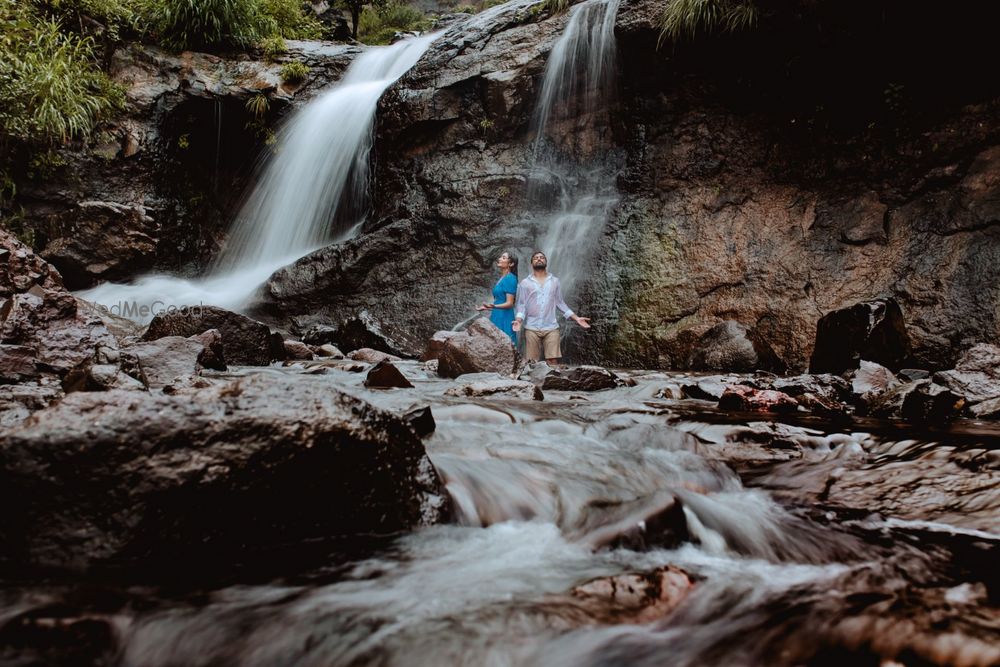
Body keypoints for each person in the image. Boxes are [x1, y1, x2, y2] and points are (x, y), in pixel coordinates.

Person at [512, 251, 590, 364]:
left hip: (551, 327)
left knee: (553, 360)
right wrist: (519, 320)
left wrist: (576, 318)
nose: (539, 259)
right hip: (532, 327)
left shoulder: (555, 281)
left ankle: (553, 381)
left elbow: (560, 303)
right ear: (531, 263)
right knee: (532, 362)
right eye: (536, 258)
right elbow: (522, 305)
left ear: (546, 262)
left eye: (542, 257)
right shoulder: (525, 283)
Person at [476, 251, 518, 343]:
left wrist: (494, 306)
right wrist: (487, 308)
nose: (499, 259)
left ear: (511, 263)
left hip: (504, 317)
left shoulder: (510, 278)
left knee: (503, 344)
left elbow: (510, 303)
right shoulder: (503, 278)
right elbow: (500, 301)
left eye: (503, 258)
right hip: (497, 315)